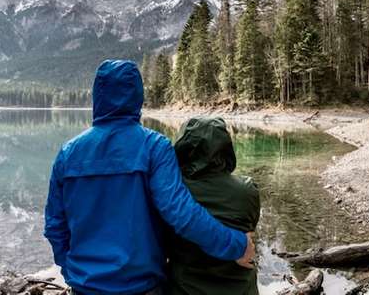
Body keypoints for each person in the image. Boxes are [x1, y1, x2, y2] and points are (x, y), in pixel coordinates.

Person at [44, 60, 255, 295]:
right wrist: (236, 245)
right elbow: (181, 214)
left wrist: (72, 271)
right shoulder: (154, 146)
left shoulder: (68, 154)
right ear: (137, 95)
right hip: (142, 287)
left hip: (85, 287)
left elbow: (55, 226)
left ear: (97, 95)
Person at [167, 117, 261, 295]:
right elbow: (250, 230)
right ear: (225, 147)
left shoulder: (172, 194)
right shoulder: (247, 190)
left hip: (185, 289)